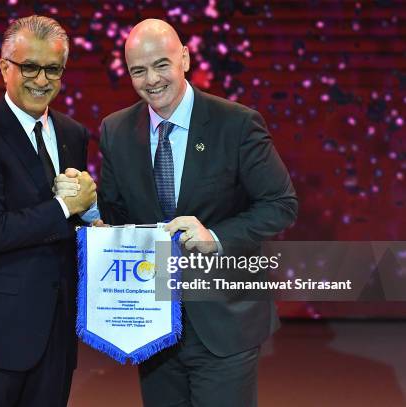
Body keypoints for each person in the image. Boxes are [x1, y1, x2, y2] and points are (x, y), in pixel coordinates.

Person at [97, 19, 298, 406]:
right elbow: (116, 214)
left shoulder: (237, 124)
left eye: (161, 64)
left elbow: (281, 204)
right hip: (153, 325)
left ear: (185, 58)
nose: (151, 80)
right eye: (139, 70)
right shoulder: (115, 130)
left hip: (225, 321)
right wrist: (90, 209)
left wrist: (216, 237)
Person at [0, 15, 98, 407]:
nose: (42, 80)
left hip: (54, 337)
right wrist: (65, 207)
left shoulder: (73, 134)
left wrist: (91, 215)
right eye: (30, 67)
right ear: (4, 67)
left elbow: (70, 223)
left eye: (53, 69)